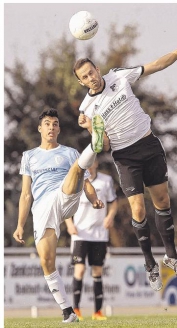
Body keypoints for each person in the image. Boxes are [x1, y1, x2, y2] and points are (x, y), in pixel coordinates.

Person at [73, 50, 177, 292]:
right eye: (85, 78)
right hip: (125, 156)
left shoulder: (119, 77)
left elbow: (156, 65)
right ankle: (150, 262)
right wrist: (92, 129)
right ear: (81, 82)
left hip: (148, 144)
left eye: (92, 72)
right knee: (138, 208)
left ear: (98, 69)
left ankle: (171, 255)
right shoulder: (87, 108)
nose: (91, 79)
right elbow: (105, 146)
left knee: (162, 201)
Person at [13, 108, 105, 324]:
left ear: (59, 129)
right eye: (47, 123)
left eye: (55, 124)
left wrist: (93, 200)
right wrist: (20, 225)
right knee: (47, 261)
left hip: (65, 197)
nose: (51, 127)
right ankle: (68, 311)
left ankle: (94, 144)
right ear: (40, 128)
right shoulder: (29, 157)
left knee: (76, 169)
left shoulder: (69, 152)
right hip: (43, 209)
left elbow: (87, 183)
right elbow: (26, 194)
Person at [65, 159, 118, 321]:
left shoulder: (106, 181)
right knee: (79, 270)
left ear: (96, 163)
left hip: (99, 235)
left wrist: (110, 216)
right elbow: (65, 205)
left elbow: (113, 202)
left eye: (91, 161)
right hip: (80, 234)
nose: (89, 164)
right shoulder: (75, 180)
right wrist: (69, 224)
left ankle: (97, 312)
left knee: (97, 271)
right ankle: (76, 310)